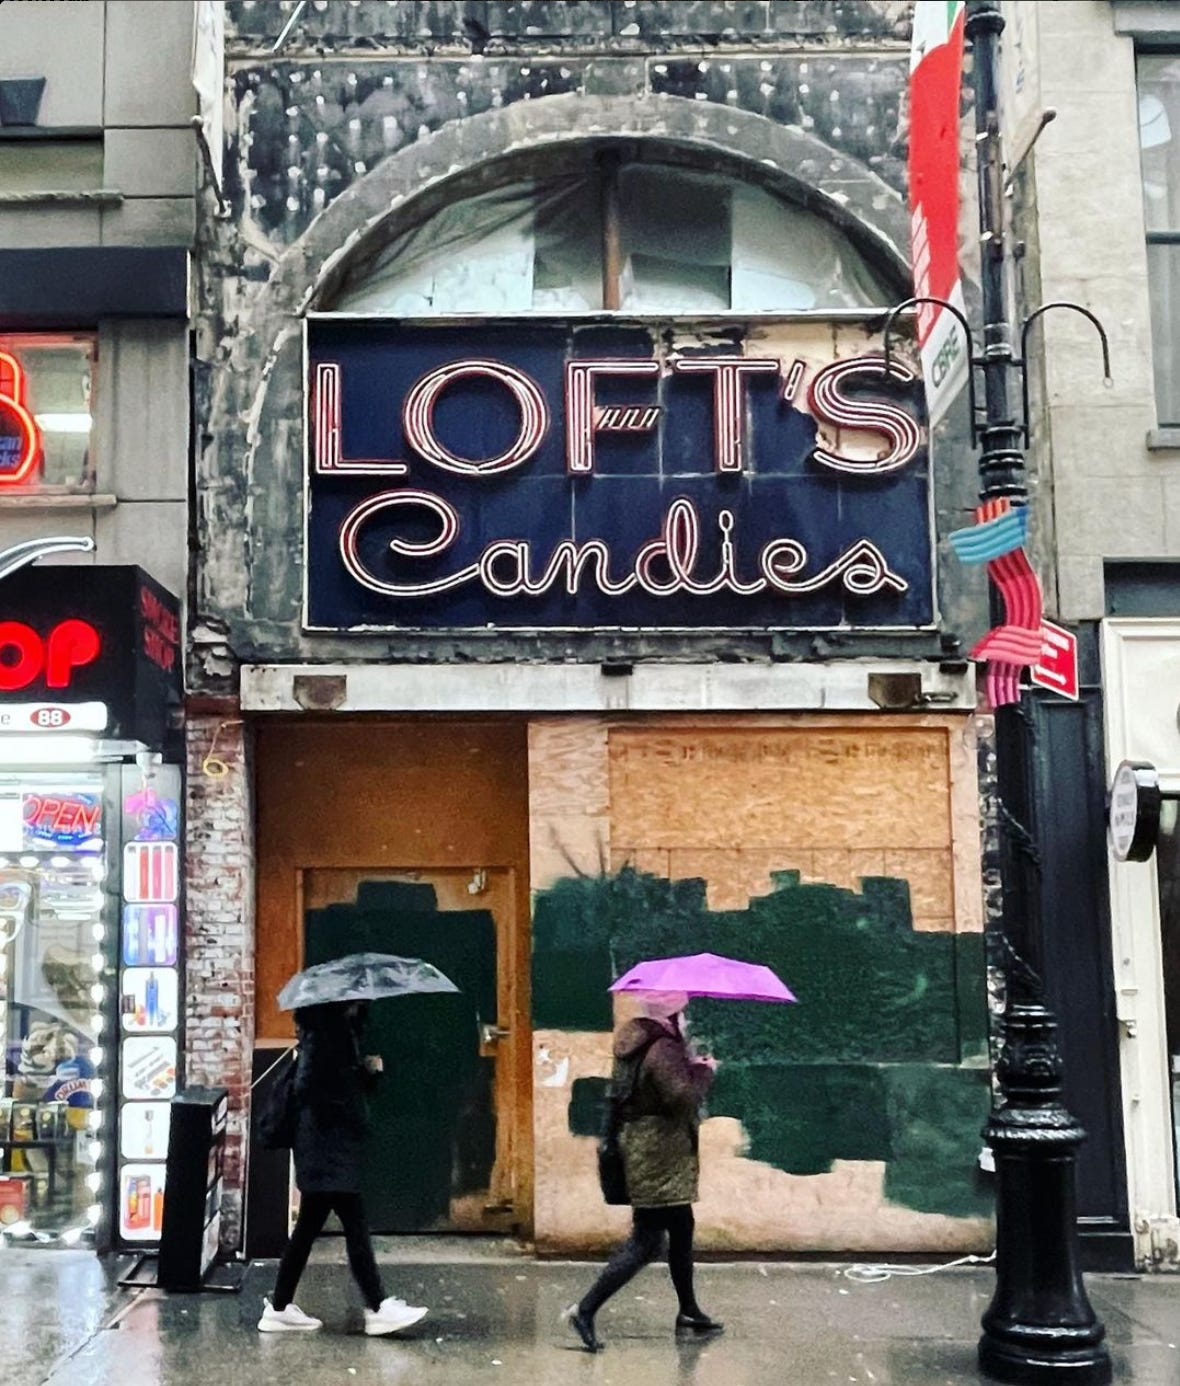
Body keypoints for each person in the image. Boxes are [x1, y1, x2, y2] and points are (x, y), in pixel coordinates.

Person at [258, 1000, 429, 1336]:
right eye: (358, 998)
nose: (363, 1002)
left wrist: (362, 1072)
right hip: (327, 1148)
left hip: (325, 1148)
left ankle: (279, 1308)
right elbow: (311, 1088)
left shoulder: (332, 1032)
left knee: (310, 1230)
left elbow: (331, 1082)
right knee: (353, 1227)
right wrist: (354, 1080)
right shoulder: (327, 1033)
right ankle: (378, 1307)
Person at [566, 990, 724, 1352]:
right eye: (681, 1009)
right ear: (671, 1011)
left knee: (682, 1226)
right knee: (647, 1239)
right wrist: (703, 1071)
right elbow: (680, 1099)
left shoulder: (635, 1037)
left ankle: (689, 1310)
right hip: (658, 1153)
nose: (684, 1016)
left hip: (644, 1146)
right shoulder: (662, 1048)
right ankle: (584, 1310)